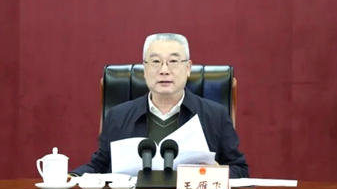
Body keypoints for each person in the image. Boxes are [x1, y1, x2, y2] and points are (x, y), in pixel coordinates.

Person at [72, 33, 249, 178]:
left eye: (173, 61)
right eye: (156, 62)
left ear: (188, 68)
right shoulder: (118, 116)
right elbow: (98, 166)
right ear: (145, 69)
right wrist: (71, 177)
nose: (164, 70)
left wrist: (217, 172)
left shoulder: (215, 116)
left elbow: (240, 170)